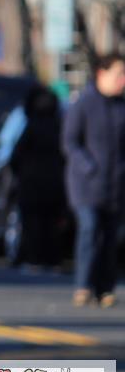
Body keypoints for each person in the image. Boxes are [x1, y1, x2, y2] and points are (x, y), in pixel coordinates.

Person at [62, 53, 125, 308]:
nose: (122, 80)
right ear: (101, 73)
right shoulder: (84, 103)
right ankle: (83, 285)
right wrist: (88, 166)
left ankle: (105, 288)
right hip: (86, 185)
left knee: (110, 237)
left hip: (116, 185)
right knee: (89, 228)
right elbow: (70, 141)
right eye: (119, 74)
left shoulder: (121, 106)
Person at [10, 86, 65, 267]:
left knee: (33, 224)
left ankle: (34, 257)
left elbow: (16, 157)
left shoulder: (32, 126)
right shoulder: (58, 127)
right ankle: (50, 258)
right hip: (52, 184)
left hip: (32, 185)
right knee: (49, 224)